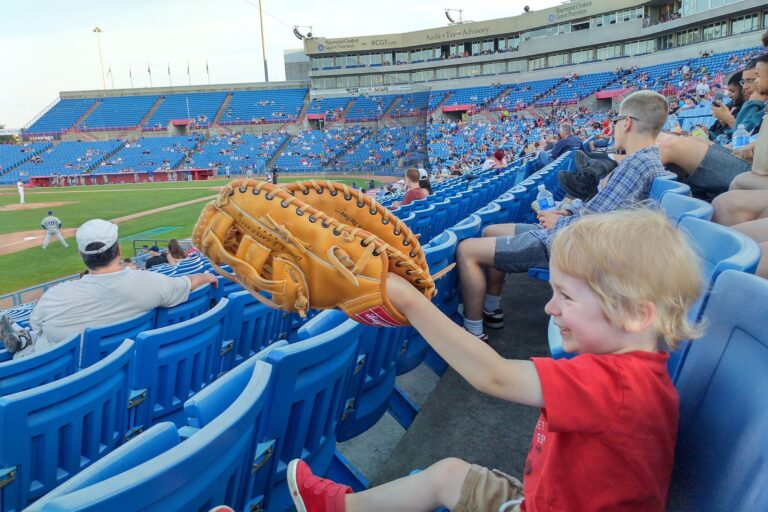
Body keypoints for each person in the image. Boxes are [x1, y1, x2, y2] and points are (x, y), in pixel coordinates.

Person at [285, 209, 702, 512]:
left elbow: (494, 377)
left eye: (567, 297)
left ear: (635, 314)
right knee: (449, 475)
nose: (550, 308)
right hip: (544, 500)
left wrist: (411, 302)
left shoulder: (618, 385)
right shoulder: (627, 373)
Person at [458, 90, 669, 341]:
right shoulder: (648, 161)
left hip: (569, 243)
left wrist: (560, 221)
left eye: (615, 121)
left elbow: (593, 224)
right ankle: (491, 310)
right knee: (491, 231)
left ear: (627, 123)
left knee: (467, 249)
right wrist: (567, 211)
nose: (613, 128)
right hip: (572, 231)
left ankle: (473, 331)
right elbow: (601, 209)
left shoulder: (636, 164)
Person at [0, 219, 218, 357]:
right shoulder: (150, 282)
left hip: (62, 380)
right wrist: (206, 276)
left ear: (82, 257)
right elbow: (188, 282)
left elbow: (36, 325)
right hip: (126, 371)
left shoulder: (54, 296)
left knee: (37, 339)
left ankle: (22, 341)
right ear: (119, 249)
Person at [656, 54, 768, 197]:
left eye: (752, 80)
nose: (746, 86)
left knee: (673, 146)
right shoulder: (747, 105)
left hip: (749, 167)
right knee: (671, 138)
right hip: (741, 157)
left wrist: (729, 118)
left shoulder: (756, 105)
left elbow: (743, 133)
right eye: (743, 82)